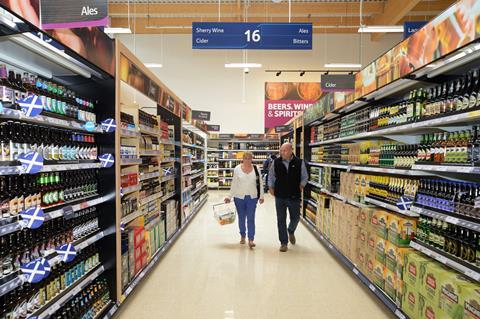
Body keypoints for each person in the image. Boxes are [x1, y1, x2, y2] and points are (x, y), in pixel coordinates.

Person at [268, 143, 308, 252]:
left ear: (291, 150)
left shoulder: (299, 162)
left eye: (284, 151)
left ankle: (291, 230)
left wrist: (301, 185)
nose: (282, 153)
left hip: (294, 196)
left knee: (295, 218)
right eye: (281, 151)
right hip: (280, 196)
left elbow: (305, 177)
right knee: (281, 219)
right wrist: (270, 187)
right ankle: (283, 243)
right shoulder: (276, 162)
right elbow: (271, 175)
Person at [225, 152, 265, 248]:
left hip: (252, 197)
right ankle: (243, 235)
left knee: (251, 218)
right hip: (239, 198)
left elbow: (260, 183)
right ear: (242, 159)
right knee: (241, 218)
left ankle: (251, 239)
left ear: (252, 159)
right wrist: (229, 196)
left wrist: (262, 196)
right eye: (245, 158)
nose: (247, 160)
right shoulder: (237, 169)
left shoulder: (256, 169)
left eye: (249, 158)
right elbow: (234, 184)